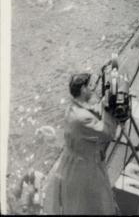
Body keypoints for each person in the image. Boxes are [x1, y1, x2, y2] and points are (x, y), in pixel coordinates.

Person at [42, 71, 118, 215]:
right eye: (90, 86)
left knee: (75, 204)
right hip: (84, 166)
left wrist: (103, 104)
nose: (93, 89)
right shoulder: (82, 119)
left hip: (72, 162)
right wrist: (110, 113)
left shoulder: (73, 108)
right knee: (91, 203)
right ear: (83, 89)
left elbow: (90, 111)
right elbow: (108, 133)